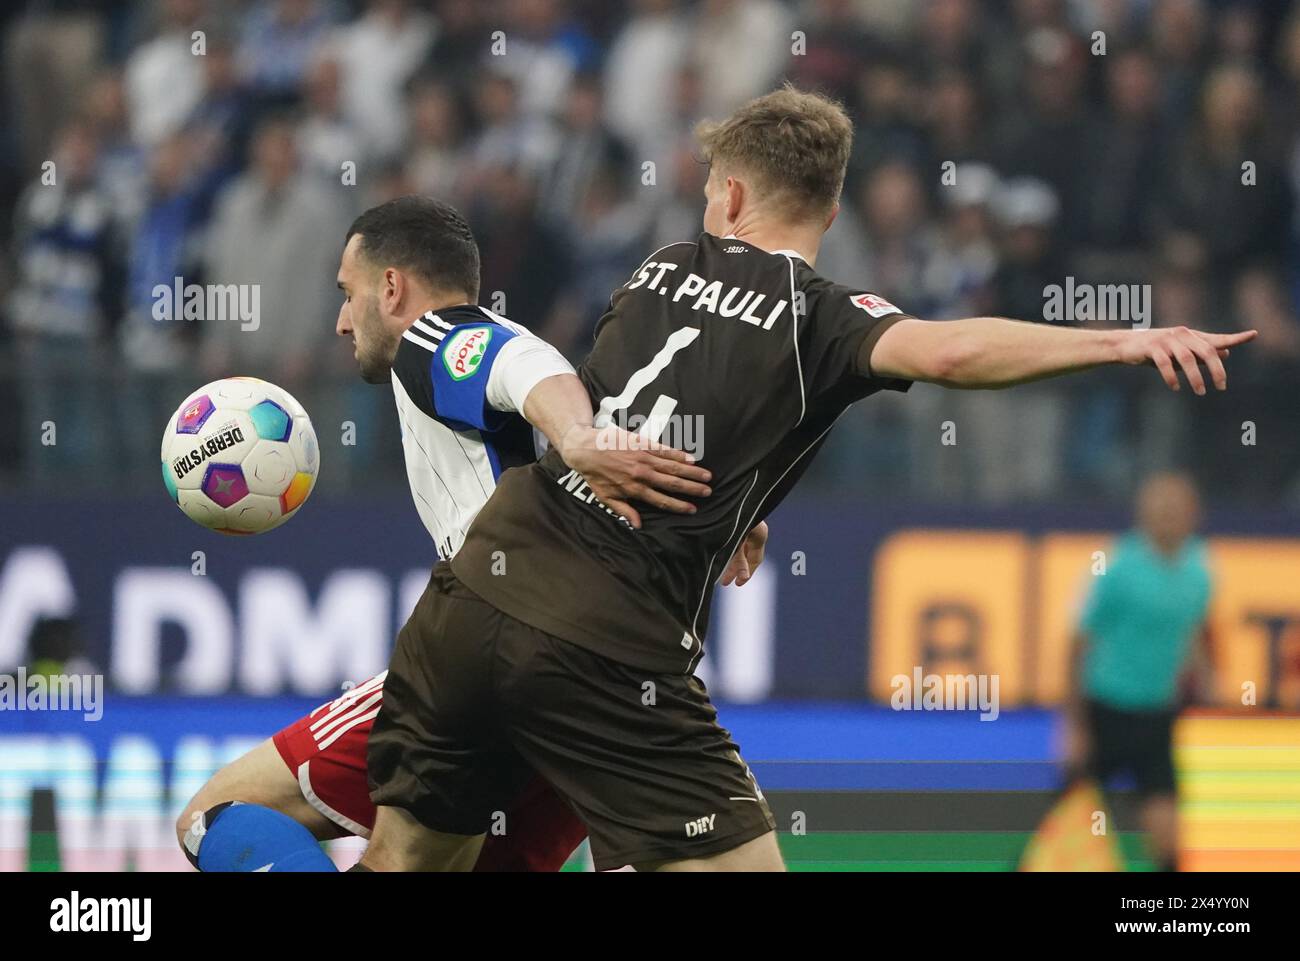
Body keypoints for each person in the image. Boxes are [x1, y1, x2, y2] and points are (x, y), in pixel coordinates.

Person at [360, 85, 1254, 873]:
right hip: (604, 635)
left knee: (404, 859)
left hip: (469, 598)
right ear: (829, 219)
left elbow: (638, 409)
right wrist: (1123, 340)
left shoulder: (660, 265)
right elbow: (953, 348)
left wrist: (732, 508)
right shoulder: (822, 319)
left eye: (712, 189)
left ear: (733, 194)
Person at [177, 196, 765, 871]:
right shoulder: (486, 366)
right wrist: (728, 508)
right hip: (592, 680)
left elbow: (517, 363)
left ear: (392, 287)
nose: (341, 321)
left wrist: (575, 435)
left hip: (489, 649)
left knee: (213, 814)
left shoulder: (438, 338)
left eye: (347, 293)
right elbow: (621, 422)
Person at [1063, 472, 1215, 871]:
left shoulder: (1201, 571)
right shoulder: (1114, 568)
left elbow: (1193, 631)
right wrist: (1074, 727)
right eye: (1158, 506)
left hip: (1156, 715)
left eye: (1175, 507)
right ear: (1142, 514)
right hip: (1106, 710)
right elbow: (1077, 644)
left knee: (1168, 839)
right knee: (1063, 831)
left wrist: (1206, 675)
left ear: (1193, 515)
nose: (1167, 514)